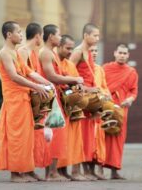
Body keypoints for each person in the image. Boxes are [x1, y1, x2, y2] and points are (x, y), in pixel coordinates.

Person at [0, 21, 50, 182]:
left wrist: (47, 84)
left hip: (24, 99)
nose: (21, 34)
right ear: (8, 35)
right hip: (13, 102)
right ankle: (15, 173)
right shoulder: (5, 53)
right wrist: (36, 87)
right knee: (16, 137)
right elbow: (14, 76)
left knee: (27, 138)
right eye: (18, 31)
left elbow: (29, 72)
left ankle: (25, 170)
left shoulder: (16, 53)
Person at [38, 24, 83, 181]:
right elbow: (52, 76)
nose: (60, 37)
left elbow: (60, 75)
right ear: (51, 37)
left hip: (55, 96)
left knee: (56, 134)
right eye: (58, 35)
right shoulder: (45, 53)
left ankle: (52, 172)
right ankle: (51, 173)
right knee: (54, 133)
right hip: (49, 98)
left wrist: (71, 84)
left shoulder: (51, 53)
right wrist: (74, 79)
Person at [69, 23, 100, 180]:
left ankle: (83, 170)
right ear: (86, 35)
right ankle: (75, 171)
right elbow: (68, 73)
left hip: (89, 102)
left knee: (86, 137)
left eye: (98, 35)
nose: (97, 38)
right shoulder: (78, 52)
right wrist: (86, 89)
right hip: (80, 99)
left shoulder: (88, 53)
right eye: (94, 35)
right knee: (78, 136)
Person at [103, 44, 138, 179]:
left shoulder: (131, 72)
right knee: (103, 136)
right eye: (120, 53)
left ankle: (114, 170)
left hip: (122, 109)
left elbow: (133, 90)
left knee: (118, 138)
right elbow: (100, 85)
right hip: (106, 107)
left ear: (128, 55)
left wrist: (130, 99)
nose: (122, 55)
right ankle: (98, 170)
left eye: (125, 53)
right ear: (115, 53)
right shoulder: (105, 68)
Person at [56, 34, 88, 181]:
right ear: (59, 46)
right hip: (58, 105)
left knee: (75, 140)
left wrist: (80, 88)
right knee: (60, 139)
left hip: (71, 107)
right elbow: (53, 79)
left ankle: (72, 171)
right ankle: (59, 171)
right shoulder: (54, 61)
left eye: (71, 48)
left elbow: (77, 83)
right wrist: (71, 83)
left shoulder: (69, 65)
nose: (70, 51)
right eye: (67, 48)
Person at [89, 44, 109, 180]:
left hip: (99, 108)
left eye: (96, 50)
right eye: (91, 51)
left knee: (99, 140)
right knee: (89, 139)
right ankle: (88, 170)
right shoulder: (83, 67)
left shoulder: (99, 69)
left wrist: (106, 94)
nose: (94, 53)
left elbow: (104, 87)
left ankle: (98, 169)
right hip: (89, 109)